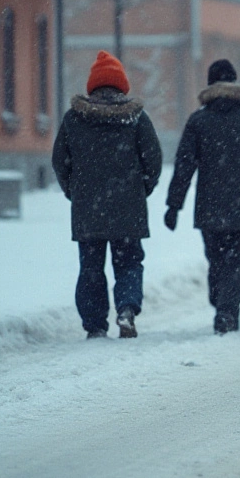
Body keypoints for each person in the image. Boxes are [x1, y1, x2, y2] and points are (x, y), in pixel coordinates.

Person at [165, 59, 240, 334]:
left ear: (210, 84)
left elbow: (184, 164)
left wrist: (174, 205)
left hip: (209, 207)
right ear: (235, 81)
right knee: (238, 260)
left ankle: (222, 304)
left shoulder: (199, 119)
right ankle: (228, 308)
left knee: (216, 259)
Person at [52, 50, 163, 339]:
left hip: (88, 209)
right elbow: (153, 159)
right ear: (121, 85)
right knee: (128, 262)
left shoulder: (74, 119)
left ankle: (95, 324)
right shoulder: (136, 118)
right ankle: (126, 309)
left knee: (90, 267)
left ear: (93, 85)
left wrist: (73, 191)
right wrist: (142, 189)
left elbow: (59, 160)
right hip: (129, 206)